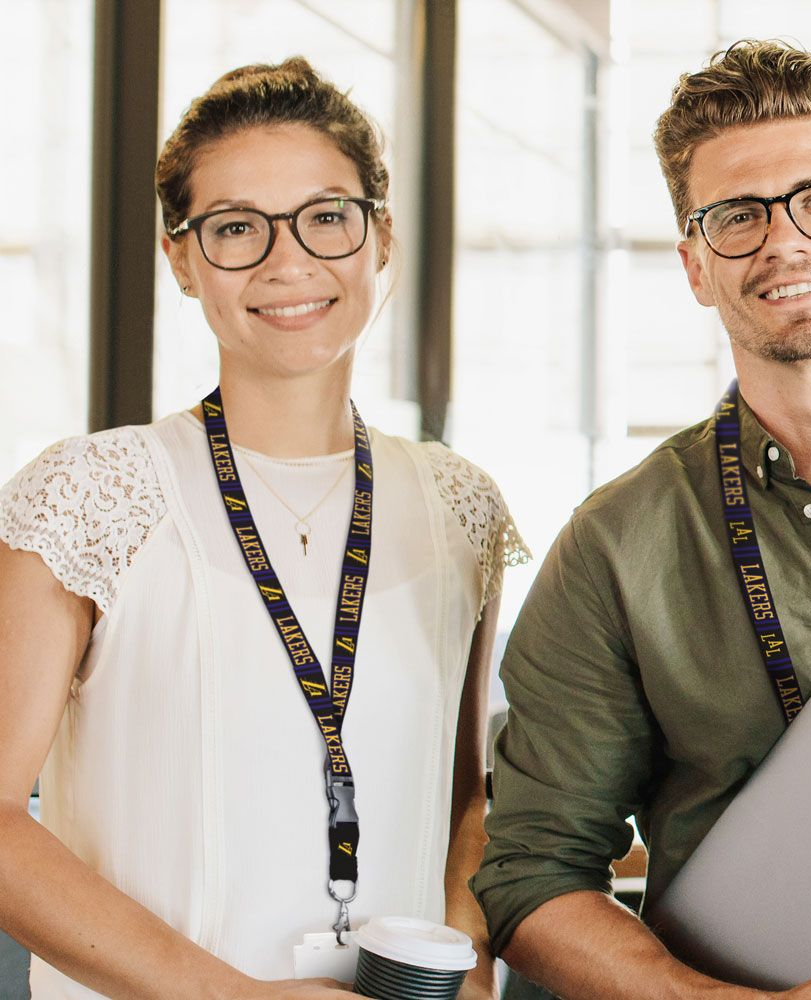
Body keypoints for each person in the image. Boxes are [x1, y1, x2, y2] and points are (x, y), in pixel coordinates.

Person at [472, 39, 811, 1000]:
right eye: (737, 216)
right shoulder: (613, 546)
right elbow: (532, 874)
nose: (783, 241)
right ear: (693, 264)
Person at [0, 57, 527, 999]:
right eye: (237, 228)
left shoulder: (460, 503)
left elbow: (462, 800)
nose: (289, 262)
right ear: (182, 258)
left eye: (326, 218)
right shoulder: (90, 490)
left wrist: (465, 958)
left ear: (379, 239)